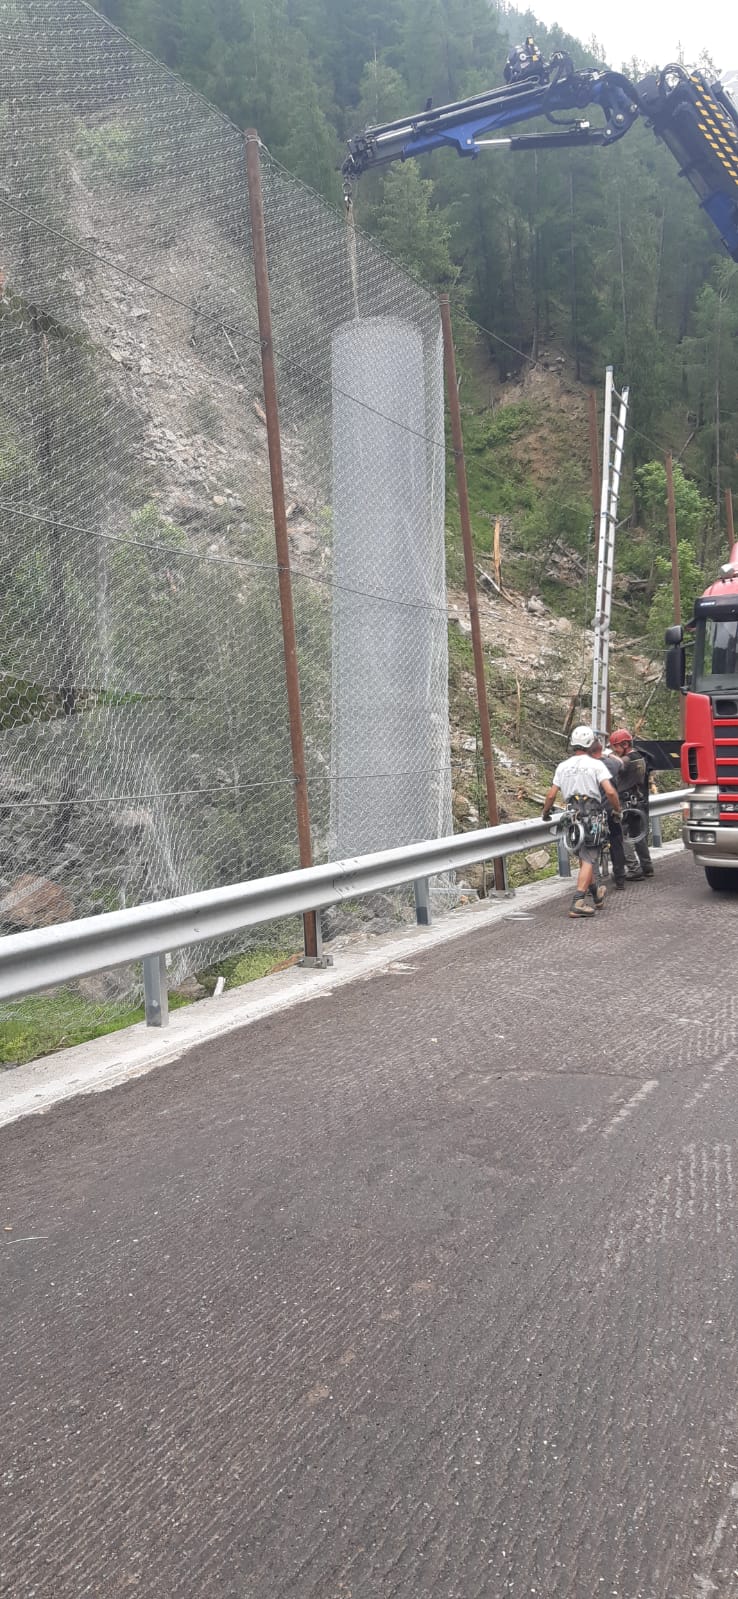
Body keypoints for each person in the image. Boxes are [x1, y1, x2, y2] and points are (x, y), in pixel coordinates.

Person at [541, 725, 622, 918]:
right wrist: (617, 810)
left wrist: (545, 813)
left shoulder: (563, 766)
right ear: (590, 743)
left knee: (584, 856)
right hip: (591, 814)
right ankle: (577, 901)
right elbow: (610, 791)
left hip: (572, 816)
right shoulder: (596, 765)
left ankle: (596, 894)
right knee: (588, 857)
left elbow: (552, 794)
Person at [608, 728, 654, 879]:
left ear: (625, 744)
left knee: (622, 836)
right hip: (638, 801)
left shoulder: (627, 760)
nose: (614, 750)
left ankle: (633, 869)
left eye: (616, 747)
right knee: (638, 835)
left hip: (625, 803)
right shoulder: (640, 757)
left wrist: (605, 757)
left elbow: (616, 765)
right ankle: (647, 866)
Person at [593, 737, 627, 889]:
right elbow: (621, 763)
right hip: (611, 808)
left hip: (594, 811)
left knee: (592, 846)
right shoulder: (613, 763)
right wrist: (609, 755)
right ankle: (620, 879)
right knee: (616, 842)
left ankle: (593, 883)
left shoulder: (589, 766)